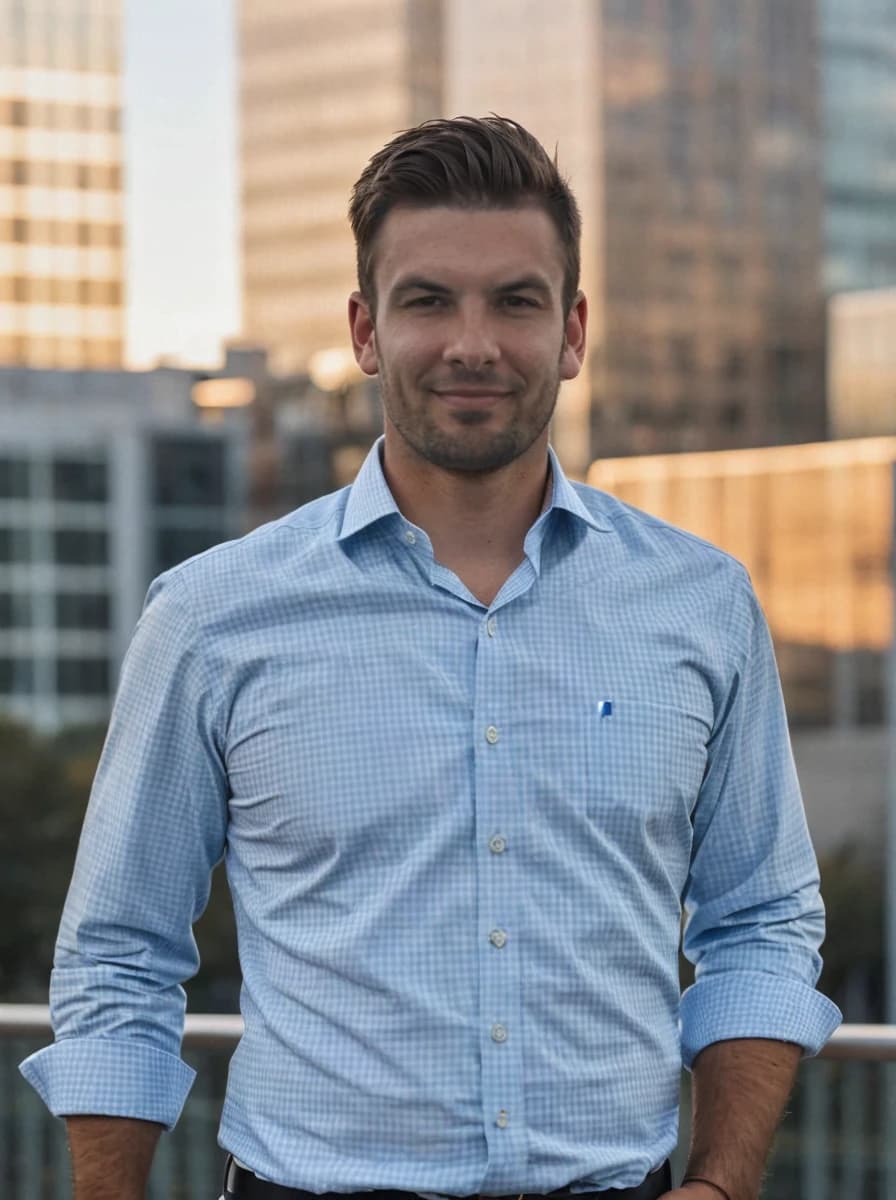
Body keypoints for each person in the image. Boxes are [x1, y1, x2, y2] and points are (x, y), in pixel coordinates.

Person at [21, 115, 840, 1200]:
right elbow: (119, 952)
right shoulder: (214, 615)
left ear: (573, 330)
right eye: (426, 301)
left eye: (514, 301)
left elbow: (759, 918)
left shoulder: (699, 603)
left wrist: (719, 1183)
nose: (472, 344)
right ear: (364, 330)